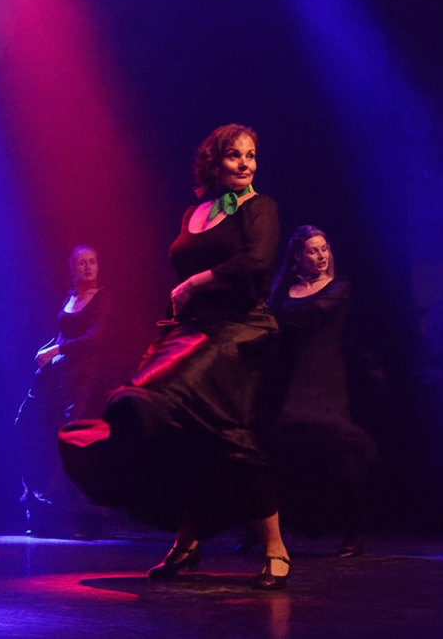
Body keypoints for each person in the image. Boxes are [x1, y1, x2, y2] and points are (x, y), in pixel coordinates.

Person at [59, 124, 292, 589]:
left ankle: (274, 546)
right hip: (189, 331)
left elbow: (257, 263)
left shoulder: (259, 207)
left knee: (219, 427)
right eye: (235, 155)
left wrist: (194, 283)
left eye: (251, 155)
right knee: (166, 423)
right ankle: (188, 537)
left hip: (239, 329)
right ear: (214, 162)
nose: (245, 164)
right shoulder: (195, 211)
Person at [265, 225, 380, 557]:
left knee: (337, 452)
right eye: (313, 251)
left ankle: (353, 530)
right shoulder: (283, 290)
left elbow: (312, 312)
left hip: (325, 378)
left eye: (324, 249)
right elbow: (271, 322)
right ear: (298, 256)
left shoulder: (338, 288)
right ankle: (266, 530)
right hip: (290, 378)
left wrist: (282, 313)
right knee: (279, 453)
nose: (321, 256)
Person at [16, 245, 113, 535]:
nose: (88, 267)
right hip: (56, 374)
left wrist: (57, 349)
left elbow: (96, 339)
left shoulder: (103, 297)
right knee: (26, 423)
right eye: (82, 263)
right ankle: (39, 502)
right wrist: (48, 348)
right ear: (73, 269)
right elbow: (62, 335)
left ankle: (83, 514)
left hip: (83, 377)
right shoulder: (69, 298)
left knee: (72, 440)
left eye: (92, 261)